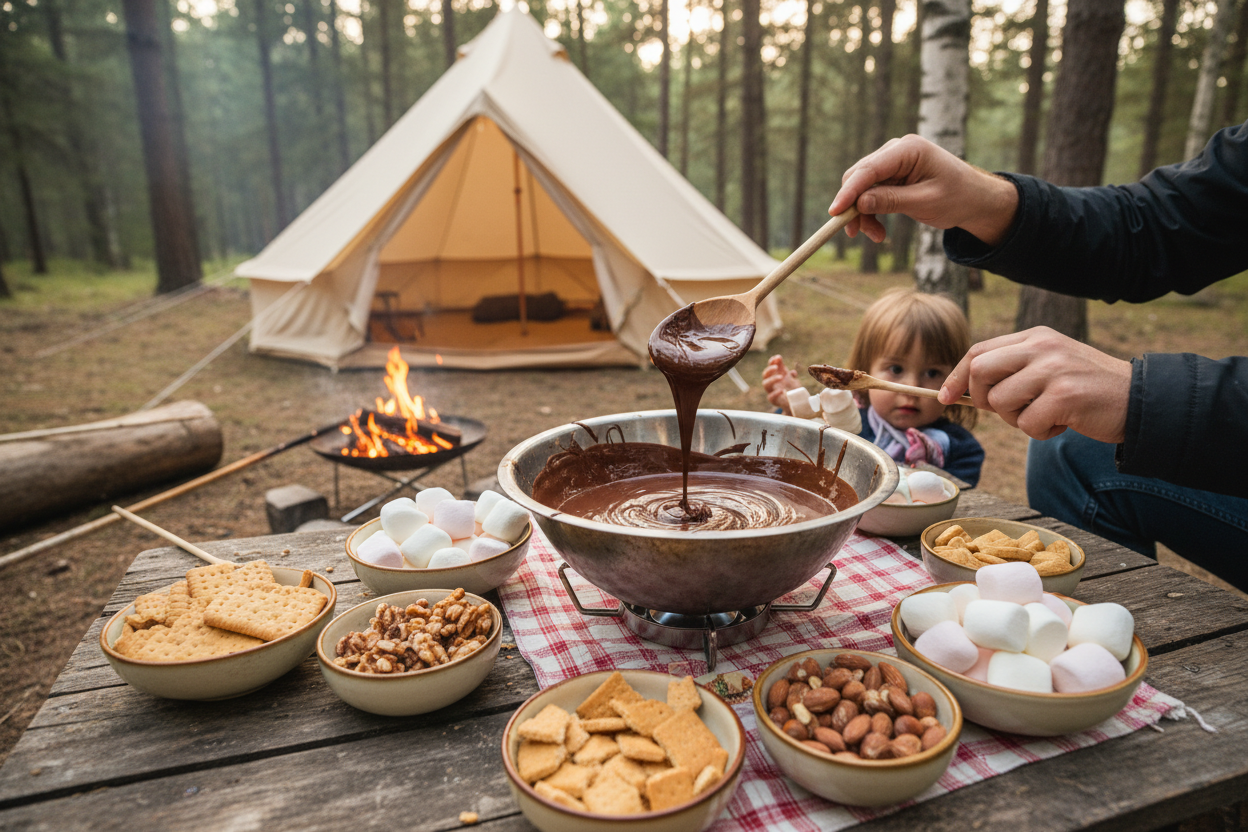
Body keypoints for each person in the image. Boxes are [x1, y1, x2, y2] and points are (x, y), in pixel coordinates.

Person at [828, 121, 1248, 590]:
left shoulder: (956, 445)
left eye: (931, 371)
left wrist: (1143, 398)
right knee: (1071, 448)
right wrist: (985, 200)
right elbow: (1159, 224)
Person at [763, 288, 985, 486]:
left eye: (932, 373)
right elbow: (801, 447)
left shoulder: (962, 451)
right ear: (864, 372)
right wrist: (793, 406)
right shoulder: (843, 424)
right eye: (896, 369)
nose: (911, 389)